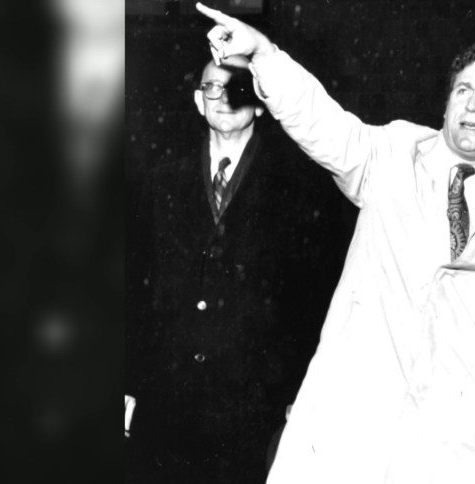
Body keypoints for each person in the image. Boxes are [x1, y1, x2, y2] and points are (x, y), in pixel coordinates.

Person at [194, 3, 475, 483]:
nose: (472, 105)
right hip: (343, 423)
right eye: (463, 90)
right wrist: (264, 54)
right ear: (445, 103)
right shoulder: (393, 152)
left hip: (437, 443)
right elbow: (323, 122)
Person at [124, 55, 341, 483]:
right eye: (211, 87)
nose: (223, 98)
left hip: (249, 408)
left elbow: (310, 300)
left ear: (259, 103)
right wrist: (128, 381)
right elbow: (135, 287)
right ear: (198, 101)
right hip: (166, 399)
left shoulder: (297, 187)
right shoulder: (162, 179)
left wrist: (297, 394)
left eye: (237, 88)